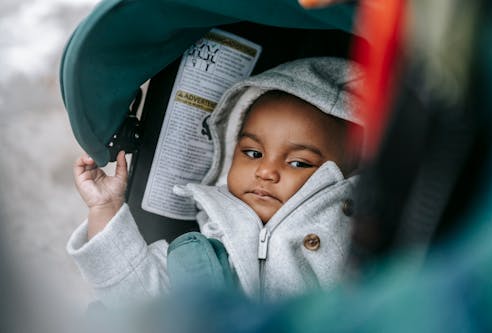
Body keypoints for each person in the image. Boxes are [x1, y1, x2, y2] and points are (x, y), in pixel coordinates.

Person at [67, 57, 364, 306]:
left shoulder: (359, 237)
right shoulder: (204, 252)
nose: (266, 171)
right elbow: (137, 295)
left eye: (298, 162)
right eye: (252, 152)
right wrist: (105, 208)